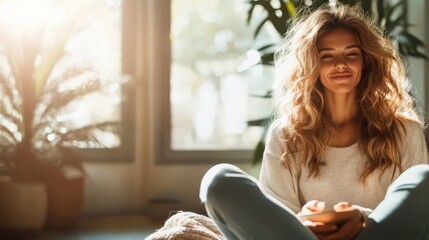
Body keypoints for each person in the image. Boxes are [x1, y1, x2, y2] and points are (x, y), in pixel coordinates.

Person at [199, 3, 429, 240]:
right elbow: (275, 220)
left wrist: (362, 219)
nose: (341, 64)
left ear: (366, 61)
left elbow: (414, 216)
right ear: (312, 64)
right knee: (218, 180)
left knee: (424, 177)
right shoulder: (285, 134)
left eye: (352, 54)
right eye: (327, 56)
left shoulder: (404, 131)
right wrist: (304, 221)